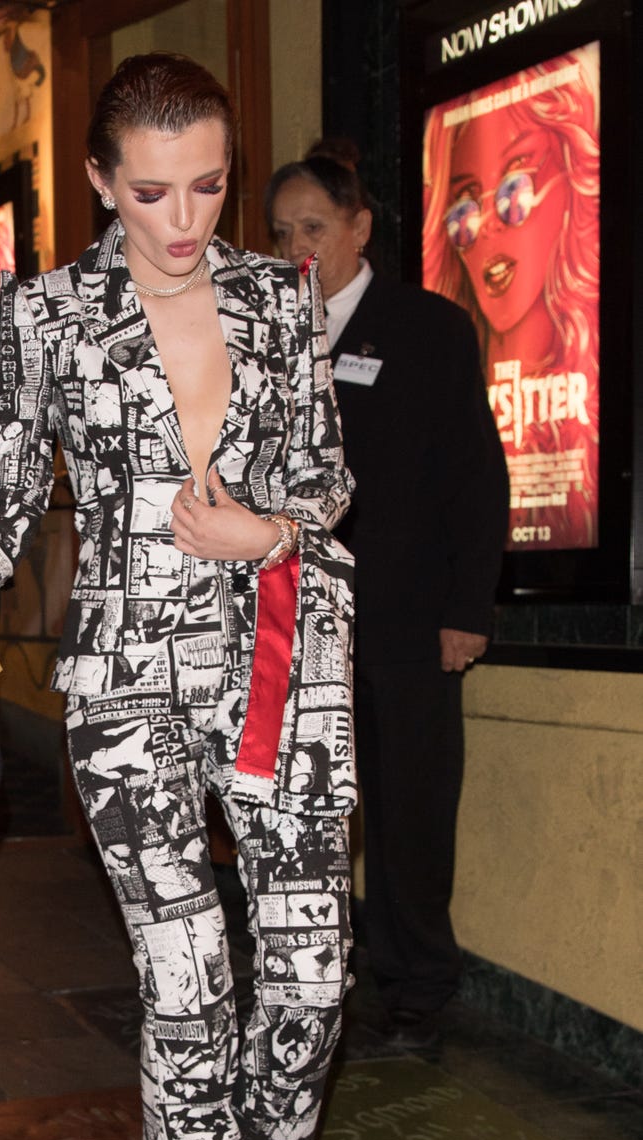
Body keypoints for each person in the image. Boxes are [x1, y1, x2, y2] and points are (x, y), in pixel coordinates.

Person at [0, 53, 356, 1140]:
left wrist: (277, 530)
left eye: (207, 185)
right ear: (97, 182)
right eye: (151, 191)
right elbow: (3, 500)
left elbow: (324, 476)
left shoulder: (276, 293)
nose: (184, 218)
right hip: (129, 684)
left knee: (309, 974)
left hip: (280, 661)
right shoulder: (49, 316)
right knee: (191, 979)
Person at [266, 143, 508, 1046]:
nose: (298, 247)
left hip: (406, 618)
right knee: (312, 806)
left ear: (359, 229)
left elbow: (477, 479)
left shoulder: (427, 328)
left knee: (409, 800)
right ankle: (319, 963)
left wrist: (466, 609)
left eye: (314, 228)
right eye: (283, 231)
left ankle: (417, 979)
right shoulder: (267, 339)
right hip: (297, 622)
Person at [422, 47, 599, 550]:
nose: (488, 227)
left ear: (573, 170)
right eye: (463, 205)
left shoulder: (591, 372)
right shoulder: (449, 344)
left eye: (515, 187)